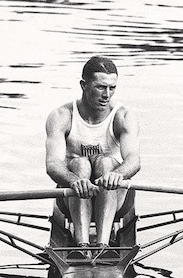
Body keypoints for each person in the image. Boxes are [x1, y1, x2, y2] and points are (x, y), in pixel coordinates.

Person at [45, 56, 141, 250]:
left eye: (112, 88)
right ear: (84, 85)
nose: (107, 95)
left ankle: (102, 245)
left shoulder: (123, 116)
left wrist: (117, 175)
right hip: (73, 195)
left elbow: (134, 160)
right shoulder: (62, 116)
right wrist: (74, 181)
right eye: (100, 87)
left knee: (106, 164)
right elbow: (52, 164)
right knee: (80, 164)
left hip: (116, 197)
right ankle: (82, 245)